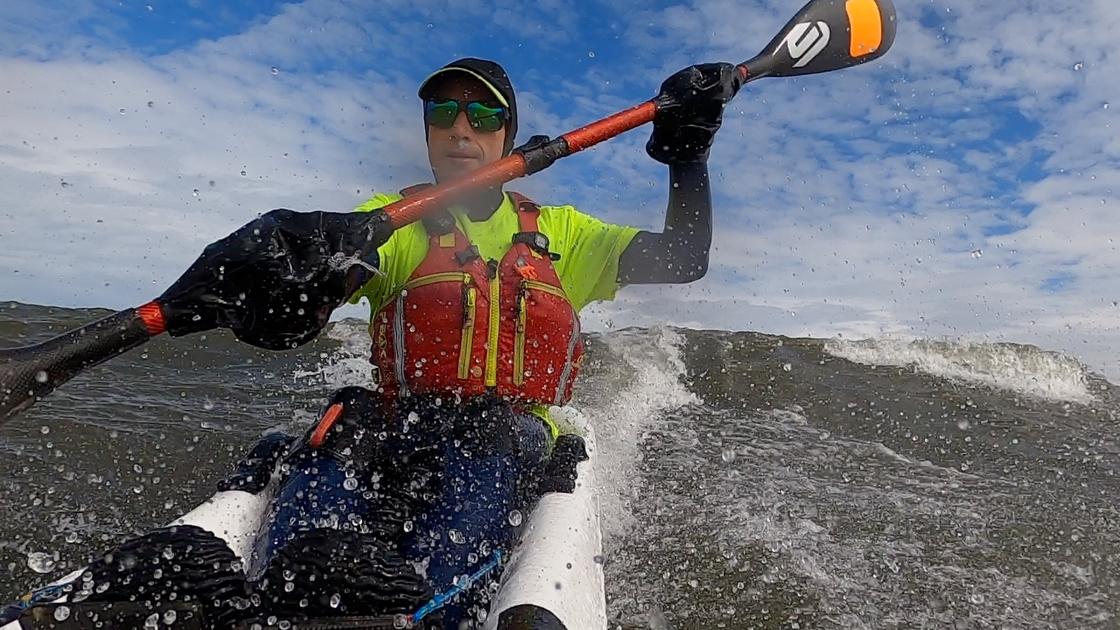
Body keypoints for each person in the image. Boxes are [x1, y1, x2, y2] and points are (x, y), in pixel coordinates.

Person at [34, 57, 738, 629]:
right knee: (345, 424)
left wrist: (688, 159)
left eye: (484, 115)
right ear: (430, 135)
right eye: (445, 115)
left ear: (506, 136)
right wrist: (293, 278)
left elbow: (683, 256)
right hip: (402, 420)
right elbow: (316, 296)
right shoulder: (390, 222)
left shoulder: (568, 235)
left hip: (510, 433)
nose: (462, 130)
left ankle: (419, 599)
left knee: (489, 440)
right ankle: (295, 575)